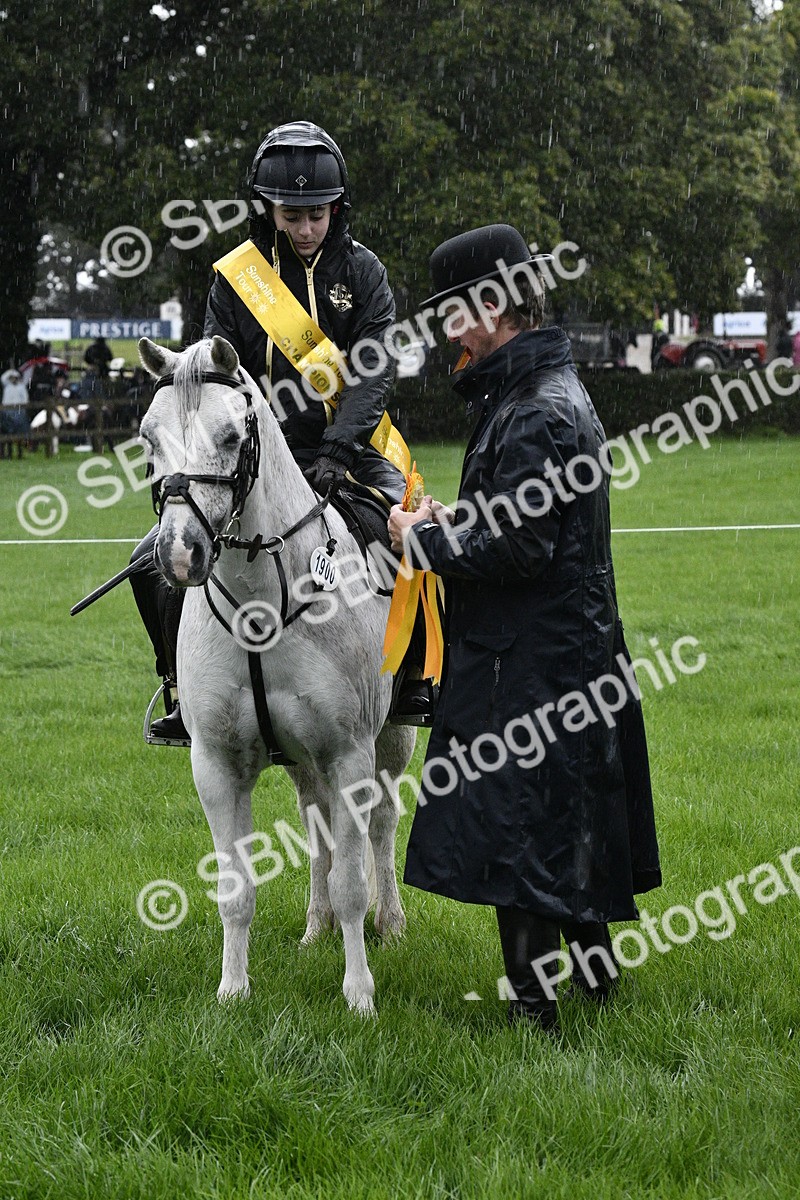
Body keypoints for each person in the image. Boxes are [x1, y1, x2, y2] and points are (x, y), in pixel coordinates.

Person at [389, 224, 662, 1032]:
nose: (447, 333)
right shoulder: (535, 390)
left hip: (533, 659)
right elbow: (518, 521)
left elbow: (517, 545)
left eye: (454, 314)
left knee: (516, 836)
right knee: (567, 823)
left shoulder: (537, 406)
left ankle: (531, 1015)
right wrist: (458, 516)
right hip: (557, 647)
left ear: (496, 306)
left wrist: (422, 538)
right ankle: (602, 988)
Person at [131, 120, 430, 744]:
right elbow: (219, 382)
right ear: (268, 208)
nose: (305, 227)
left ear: (336, 208)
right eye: (292, 214)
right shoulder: (236, 279)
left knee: (410, 531)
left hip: (350, 447)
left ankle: (412, 682)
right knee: (149, 559)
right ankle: (181, 691)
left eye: (317, 214)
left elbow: (373, 377)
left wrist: (336, 450)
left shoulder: (366, 274)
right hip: (255, 455)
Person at [0, 367, 30, 458]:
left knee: (18, 434)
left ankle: (19, 454)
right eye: (11, 377)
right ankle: (6, 454)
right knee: (6, 433)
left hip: (18, 413)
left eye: (14, 377)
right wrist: (10, 370)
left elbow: (25, 400)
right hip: (7, 413)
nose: (12, 379)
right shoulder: (7, 386)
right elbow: (3, 378)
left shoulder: (21, 387)